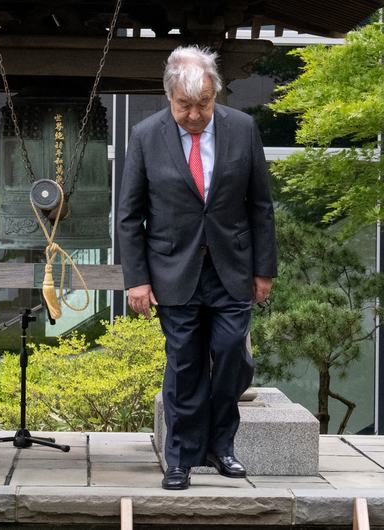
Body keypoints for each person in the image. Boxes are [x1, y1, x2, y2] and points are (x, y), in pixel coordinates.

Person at [117, 46, 277, 490]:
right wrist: (138, 280)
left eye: (202, 104)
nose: (193, 115)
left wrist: (263, 271)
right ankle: (181, 458)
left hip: (232, 268)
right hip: (173, 271)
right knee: (185, 365)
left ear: (215, 95)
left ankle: (221, 446)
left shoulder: (242, 129)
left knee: (231, 357)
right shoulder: (147, 135)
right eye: (184, 106)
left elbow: (260, 205)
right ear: (168, 97)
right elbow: (130, 215)